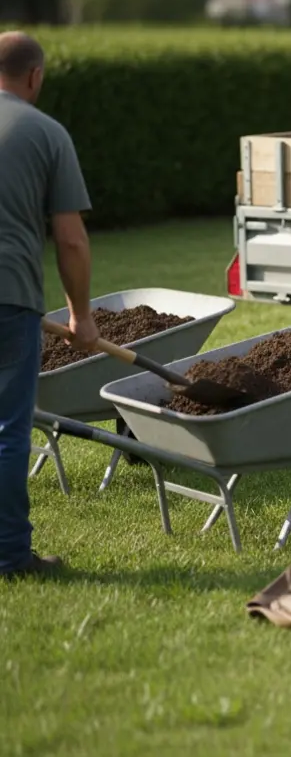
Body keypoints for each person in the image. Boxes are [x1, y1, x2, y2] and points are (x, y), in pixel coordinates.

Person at [0, 31, 100, 579]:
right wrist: (81, 315)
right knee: (7, 434)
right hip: (8, 295)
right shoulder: (44, 132)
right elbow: (71, 240)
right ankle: (10, 556)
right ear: (35, 75)